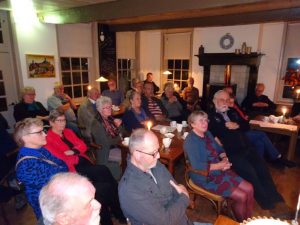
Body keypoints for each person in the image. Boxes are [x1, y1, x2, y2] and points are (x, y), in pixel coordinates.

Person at [208, 90, 291, 216]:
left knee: (263, 170)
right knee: (251, 174)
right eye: (221, 99)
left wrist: (236, 125)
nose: (225, 102)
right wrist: (217, 140)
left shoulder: (233, 111)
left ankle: (279, 201)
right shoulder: (211, 117)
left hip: (247, 148)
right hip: (233, 153)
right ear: (215, 101)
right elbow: (210, 133)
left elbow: (246, 125)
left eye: (227, 99)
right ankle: (268, 205)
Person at [44, 110, 126, 225]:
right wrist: (76, 156)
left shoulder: (68, 131)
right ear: (51, 122)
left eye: (64, 120)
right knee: (103, 173)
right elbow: (61, 158)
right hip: (73, 168)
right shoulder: (48, 139)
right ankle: (117, 210)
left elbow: (82, 145)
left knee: (106, 179)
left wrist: (73, 151)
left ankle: (115, 209)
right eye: (59, 121)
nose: (63, 123)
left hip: (84, 162)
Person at [118, 128, 211, 225]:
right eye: (153, 153)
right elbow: (165, 221)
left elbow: (176, 189)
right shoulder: (129, 189)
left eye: (158, 150)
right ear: (137, 155)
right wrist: (184, 198)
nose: (158, 156)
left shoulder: (155, 164)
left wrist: (177, 201)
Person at [184, 111, 254, 221]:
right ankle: (242, 221)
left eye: (206, 120)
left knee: (250, 188)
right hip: (205, 177)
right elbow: (197, 166)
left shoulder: (207, 133)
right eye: (201, 121)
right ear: (192, 124)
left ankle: (249, 221)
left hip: (219, 170)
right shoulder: (191, 141)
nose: (205, 123)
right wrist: (220, 165)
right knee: (242, 196)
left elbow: (219, 149)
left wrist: (225, 159)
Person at [224, 87, 295, 168]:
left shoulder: (264, 98)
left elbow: (243, 119)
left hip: (246, 126)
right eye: (230, 102)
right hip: (240, 133)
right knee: (261, 134)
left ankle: (259, 163)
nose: (232, 104)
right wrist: (252, 105)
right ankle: (277, 157)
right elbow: (242, 118)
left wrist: (266, 104)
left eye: (233, 102)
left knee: (259, 142)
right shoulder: (230, 110)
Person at [14, 118, 69, 219]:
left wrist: (62, 171)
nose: (45, 134)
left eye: (43, 131)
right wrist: (62, 171)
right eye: (39, 132)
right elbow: (55, 182)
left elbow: (63, 164)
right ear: (25, 138)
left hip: (61, 193)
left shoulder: (40, 149)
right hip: (51, 208)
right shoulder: (26, 165)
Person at [91, 96, 124, 179]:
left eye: (110, 107)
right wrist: (120, 137)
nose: (109, 109)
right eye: (106, 107)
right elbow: (107, 142)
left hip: (114, 147)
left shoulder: (109, 119)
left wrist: (118, 127)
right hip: (105, 153)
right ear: (100, 109)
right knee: (128, 156)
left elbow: (123, 131)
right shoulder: (96, 124)